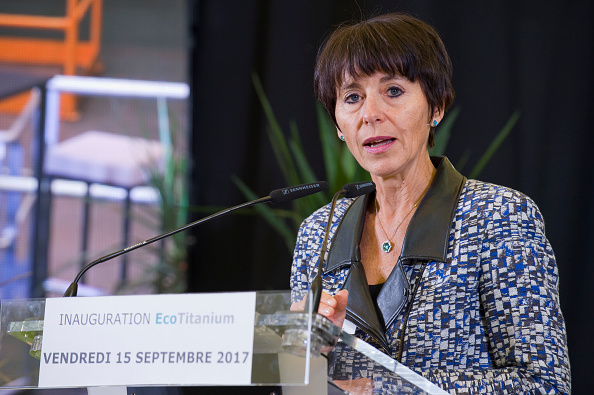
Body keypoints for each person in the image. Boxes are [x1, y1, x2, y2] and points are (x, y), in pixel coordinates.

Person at [290, 12, 570, 394]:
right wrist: (303, 362)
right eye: (352, 97)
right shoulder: (317, 234)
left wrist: (384, 388)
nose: (370, 114)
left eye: (393, 91)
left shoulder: (497, 216)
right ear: (339, 125)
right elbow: (299, 385)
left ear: (435, 107)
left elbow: (544, 385)